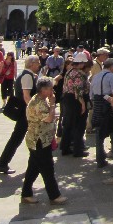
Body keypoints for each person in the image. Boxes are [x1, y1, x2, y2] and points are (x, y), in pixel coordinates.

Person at [21, 76, 66, 205]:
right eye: (51, 88)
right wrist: (53, 104)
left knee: (33, 168)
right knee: (47, 168)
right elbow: (48, 118)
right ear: (44, 89)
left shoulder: (40, 99)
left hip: (38, 139)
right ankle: (54, 195)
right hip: (39, 140)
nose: (53, 90)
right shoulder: (39, 103)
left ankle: (26, 193)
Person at [0, 55, 40, 174]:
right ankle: (2, 163)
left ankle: (3, 163)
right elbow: (26, 96)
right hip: (25, 113)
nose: (39, 64)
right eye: (37, 62)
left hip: (25, 112)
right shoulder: (27, 76)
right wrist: (34, 111)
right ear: (31, 64)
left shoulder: (27, 74)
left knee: (21, 138)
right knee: (17, 138)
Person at [60, 52, 90, 158]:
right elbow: (78, 90)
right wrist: (82, 104)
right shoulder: (79, 74)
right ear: (81, 63)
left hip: (67, 98)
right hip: (76, 100)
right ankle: (78, 150)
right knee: (79, 125)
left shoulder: (69, 71)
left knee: (68, 124)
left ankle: (65, 147)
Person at [90, 57, 113, 168]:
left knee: (99, 133)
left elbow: (91, 94)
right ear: (112, 66)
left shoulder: (96, 76)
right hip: (108, 105)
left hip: (97, 105)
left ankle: (100, 159)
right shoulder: (111, 76)